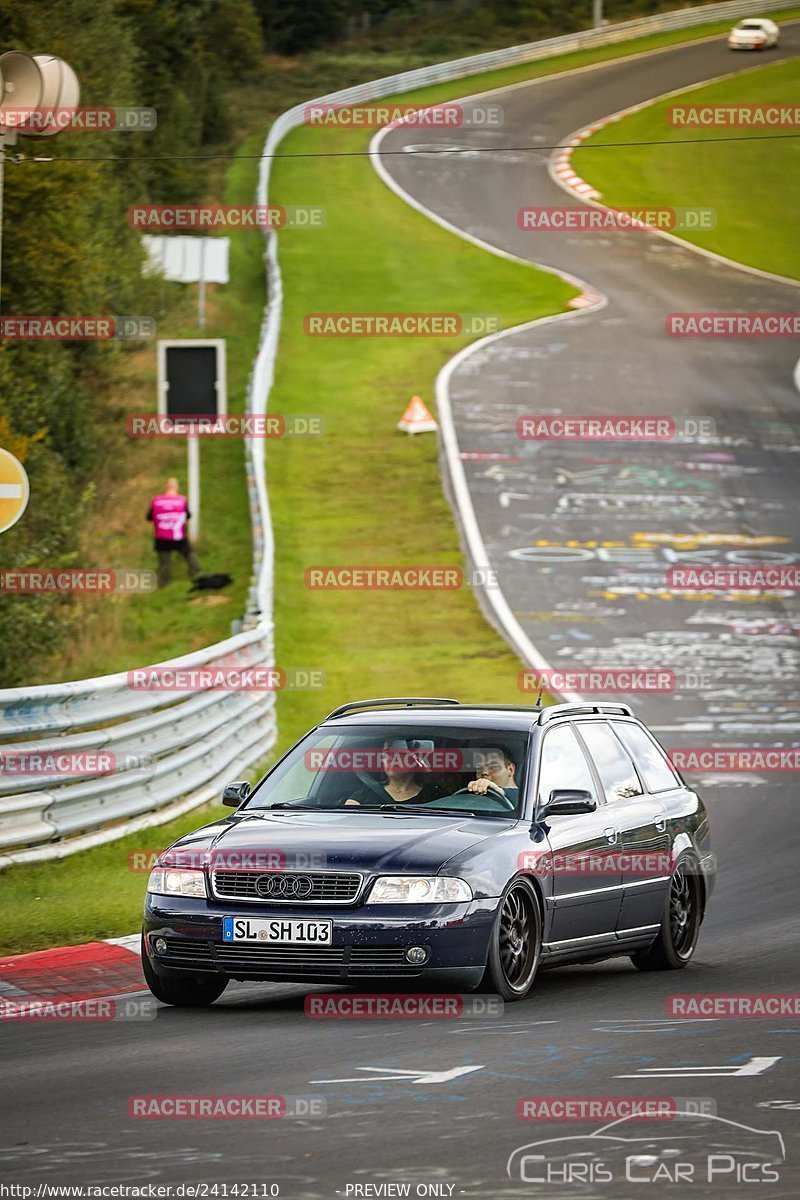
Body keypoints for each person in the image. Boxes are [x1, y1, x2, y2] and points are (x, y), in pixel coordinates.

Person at [344, 740, 438, 807]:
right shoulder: (366, 794)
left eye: (400, 753)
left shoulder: (433, 797)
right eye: (387, 753)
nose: (392, 758)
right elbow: (348, 819)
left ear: (415, 759)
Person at [147, 477, 200, 588]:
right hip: (178, 536)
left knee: (164, 563)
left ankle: (163, 583)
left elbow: (149, 517)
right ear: (176, 487)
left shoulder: (156, 500)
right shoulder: (182, 500)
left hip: (161, 537)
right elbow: (188, 515)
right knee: (189, 554)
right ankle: (196, 574)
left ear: (166, 487)